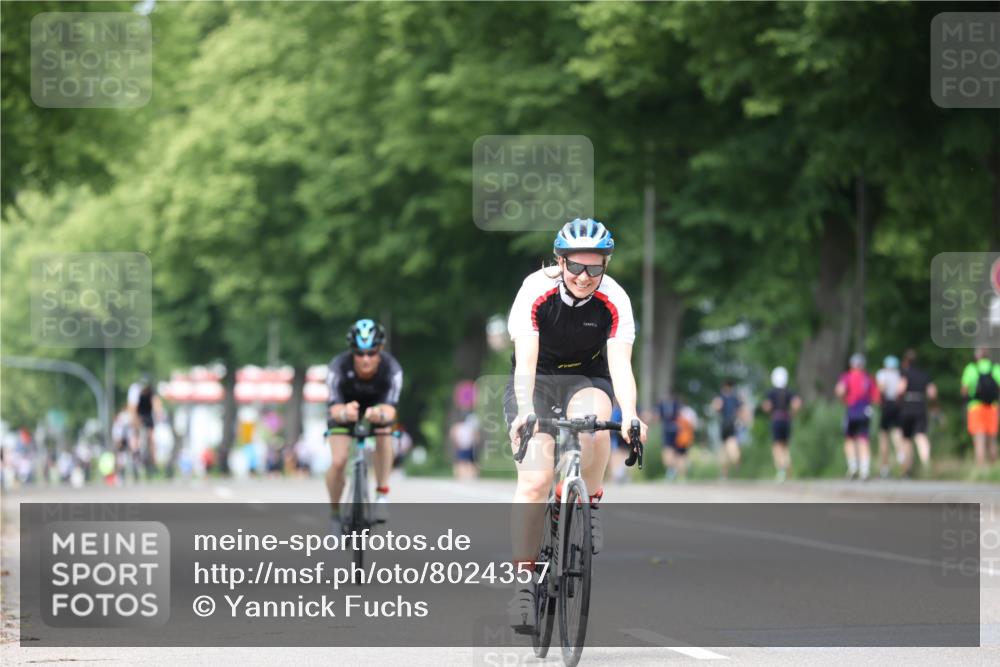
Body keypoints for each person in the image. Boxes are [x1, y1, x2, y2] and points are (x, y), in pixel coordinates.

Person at [505, 218, 647, 632]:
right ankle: (523, 586)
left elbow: (621, 366)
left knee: (594, 423)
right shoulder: (535, 290)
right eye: (576, 267)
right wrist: (526, 409)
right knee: (534, 481)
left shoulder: (615, 299)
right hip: (538, 381)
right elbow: (525, 361)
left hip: (589, 377)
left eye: (595, 268)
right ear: (559, 260)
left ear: (606, 264)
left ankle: (592, 499)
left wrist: (631, 413)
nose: (585, 277)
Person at [325, 318, 403, 533]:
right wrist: (344, 412)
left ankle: (382, 493)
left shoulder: (391, 368)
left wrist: (378, 413)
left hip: (376, 409)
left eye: (372, 353)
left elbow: (390, 409)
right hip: (344, 409)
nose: (365, 359)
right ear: (352, 352)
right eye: (359, 353)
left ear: (381, 349)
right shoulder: (338, 366)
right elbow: (333, 408)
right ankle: (334, 514)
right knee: (339, 461)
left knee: (385, 432)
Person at [835, 353, 880, 481]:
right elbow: (876, 397)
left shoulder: (847, 377)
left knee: (849, 439)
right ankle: (864, 470)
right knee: (863, 440)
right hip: (865, 411)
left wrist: (843, 400)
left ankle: (853, 467)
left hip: (852, 411)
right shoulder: (868, 378)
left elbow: (840, 390)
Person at [897, 349, 938, 477]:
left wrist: (898, 402)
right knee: (921, 436)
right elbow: (932, 393)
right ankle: (927, 466)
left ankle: (907, 470)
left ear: (905, 361)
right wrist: (934, 407)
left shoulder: (904, 373)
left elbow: (900, 389)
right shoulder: (924, 374)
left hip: (907, 407)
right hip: (921, 406)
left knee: (906, 439)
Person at [961, 347, 1000, 468]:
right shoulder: (996, 368)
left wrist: (965, 402)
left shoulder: (971, 368)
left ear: (977, 356)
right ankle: (994, 470)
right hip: (993, 408)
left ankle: (981, 469)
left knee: (979, 439)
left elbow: (964, 389)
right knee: (992, 439)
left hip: (975, 407)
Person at [761, 366, 801, 482]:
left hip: (776, 419)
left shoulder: (771, 392)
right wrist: (792, 414)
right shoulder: (789, 391)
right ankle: (788, 468)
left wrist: (769, 413)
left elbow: (766, 406)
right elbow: (797, 404)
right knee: (785, 446)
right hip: (786, 420)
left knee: (777, 446)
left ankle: (781, 470)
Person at [875, 355, 904, 479]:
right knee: (897, 435)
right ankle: (902, 460)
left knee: (884, 437)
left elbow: (882, 388)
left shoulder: (882, 373)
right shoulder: (899, 374)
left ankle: (885, 468)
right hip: (898, 405)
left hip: (887, 404)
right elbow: (901, 390)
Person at [126, 374, 162, 473]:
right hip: (138, 411)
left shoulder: (152, 390)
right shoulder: (134, 389)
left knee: (152, 437)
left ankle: (153, 462)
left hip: (148, 413)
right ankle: (136, 452)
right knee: (135, 430)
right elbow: (132, 407)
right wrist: (134, 420)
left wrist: (159, 415)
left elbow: (157, 403)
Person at [657, 392, 695, 481]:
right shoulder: (662, 406)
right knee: (667, 458)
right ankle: (674, 471)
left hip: (679, 435)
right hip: (668, 433)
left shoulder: (682, 409)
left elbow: (689, 423)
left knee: (680, 457)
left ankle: (681, 476)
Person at [712, 380, 743, 478]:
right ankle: (730, 466)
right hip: (732, 423)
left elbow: (716, 408)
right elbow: (740, 411)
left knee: (725, 448)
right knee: (727, 447)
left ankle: (727, 469)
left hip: (725, 423)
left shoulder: (721, 397)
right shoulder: (735, 398)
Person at [450, 411, 480, 480]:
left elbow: (453, 434)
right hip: (465, 446)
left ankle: (467, 475)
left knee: (463, 462)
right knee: (464, 462)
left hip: (466, 446)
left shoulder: (460, 426)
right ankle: (464, 475)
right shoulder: (461, 427)